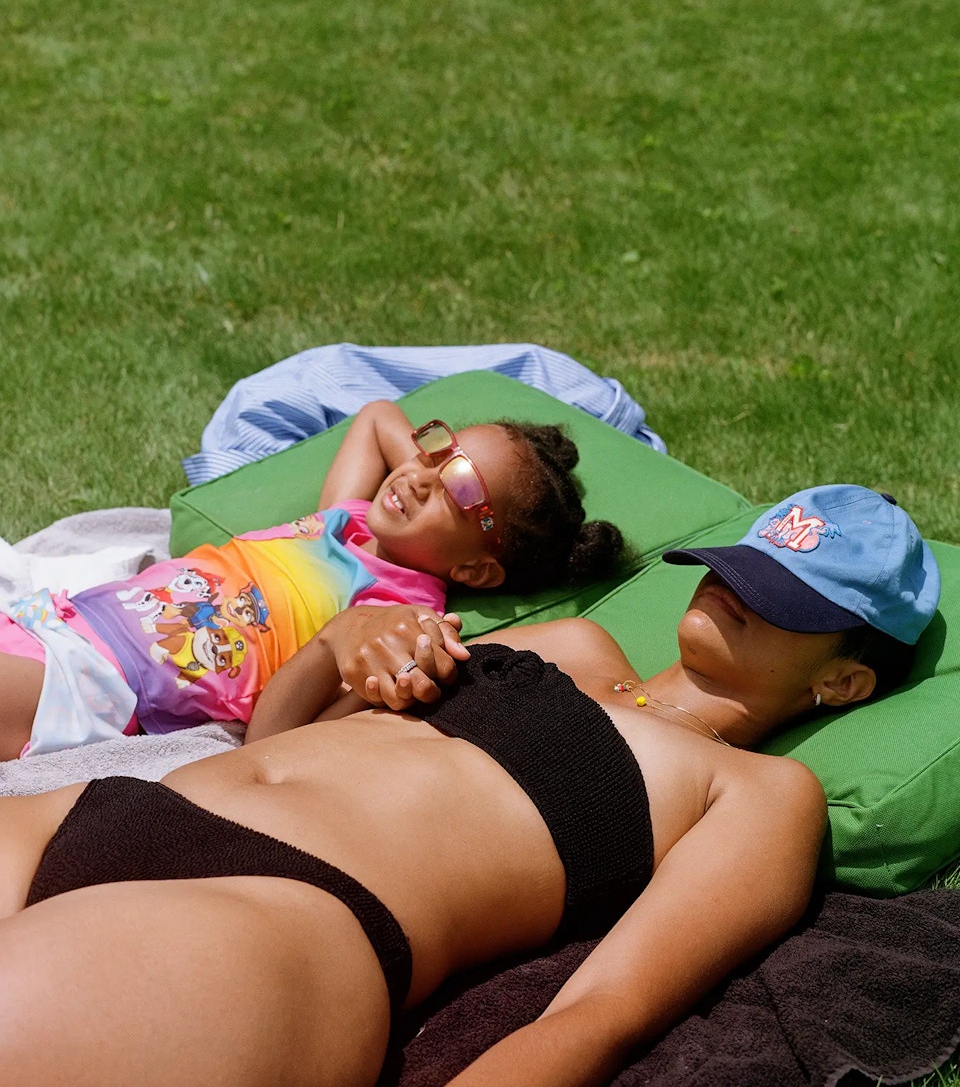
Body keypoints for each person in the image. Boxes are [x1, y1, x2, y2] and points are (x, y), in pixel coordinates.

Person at [0, 484, 939, 1087]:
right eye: (746, 567)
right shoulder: (564, 640)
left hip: (283, 916)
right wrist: (339, 646)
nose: (732, 592)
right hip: (112, 809)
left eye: (785, 602)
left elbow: (604, 1011)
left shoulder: (760, 794)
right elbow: (276, 741)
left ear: (845, 680)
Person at [0, 400, 624, 760]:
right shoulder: (346, 518)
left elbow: (278, 739)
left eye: (459, 490)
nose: (419, 477)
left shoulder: (397, 616)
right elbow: (376, 417)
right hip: (56, 618)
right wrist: (437, 463)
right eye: (435, 449)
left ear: (474, 570)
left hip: (104, 683)